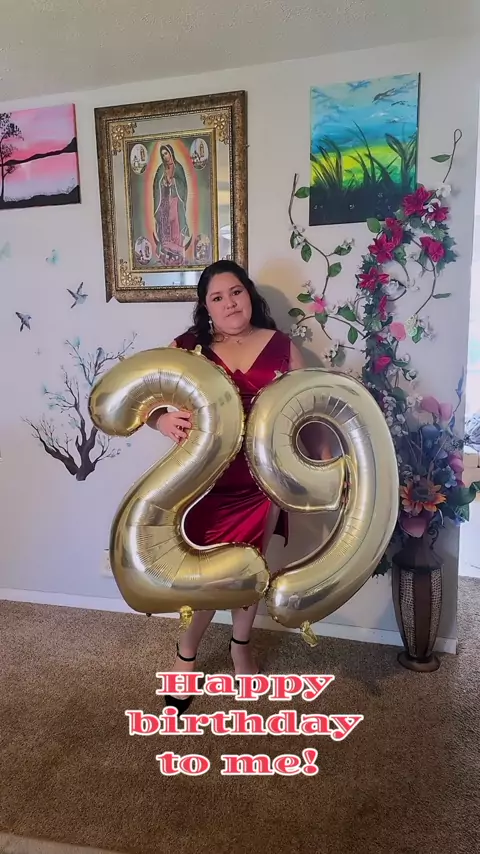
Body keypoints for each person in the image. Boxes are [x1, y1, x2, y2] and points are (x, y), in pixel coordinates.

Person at [149, 259, 332, 713]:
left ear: (249, 294)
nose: (229, 303)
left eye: (236, 292)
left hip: (263, 480)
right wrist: (161, 419)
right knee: (206, 577)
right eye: (217, 297)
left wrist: (326, 467)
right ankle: (186, 654)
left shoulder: (283, 346)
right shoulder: (188, 348)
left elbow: (310, 410)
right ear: (205, 307)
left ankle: (240, 646)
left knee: (252, 568)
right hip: (204, 480)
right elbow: (144, 393)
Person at [153, 144, 190, 264]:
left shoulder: (178, 167)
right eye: (163, 155)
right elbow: (156, 186)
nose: (165, 156)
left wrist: (174, 182)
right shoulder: (161, 169)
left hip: (175, 201)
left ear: (171, 153)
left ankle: (177, 253)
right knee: (165, 225)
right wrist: (162, 183)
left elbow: (183, 186)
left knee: (176, 226)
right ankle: (168, 253)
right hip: (164, 202)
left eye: (166, 153)